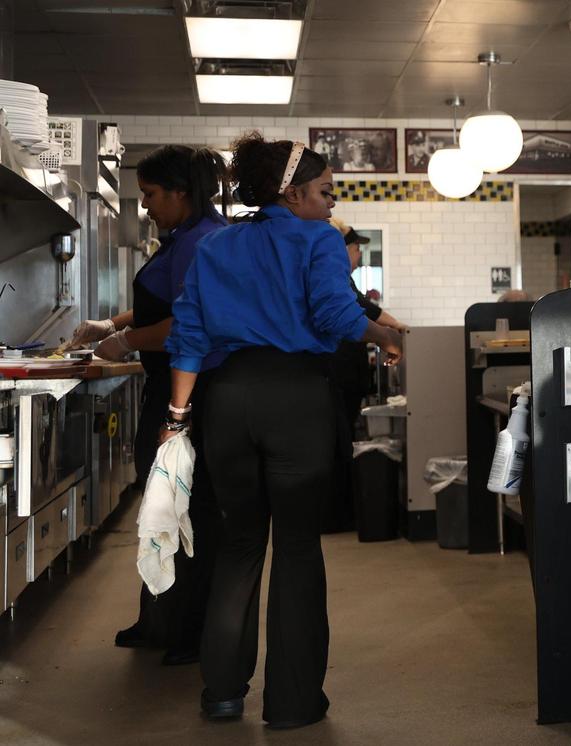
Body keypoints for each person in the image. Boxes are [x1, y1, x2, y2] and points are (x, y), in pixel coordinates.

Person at [163, 132, 403, 728]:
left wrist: (176, 417)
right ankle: (293, 704)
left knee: (239, 545)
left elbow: (188, 336)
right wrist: (388, 335)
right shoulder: (317, 238)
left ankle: (222, 692)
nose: (331, 203)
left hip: (228, 401)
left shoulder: (215, 246)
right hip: (296, 399)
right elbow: (335, 313)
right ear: (292, 194)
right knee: (296, 548)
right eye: (325, 191)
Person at [70, 144, 229, 666]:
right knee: (162, 503)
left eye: (152, 194)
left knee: (184, 507)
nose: (145, 206)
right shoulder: (185, 236)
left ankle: (190, 631)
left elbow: (188, 322)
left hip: (192, 389)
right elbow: (164, 303)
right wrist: (112, 325)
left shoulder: (200, 241)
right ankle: (161, 620)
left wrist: (128, 341)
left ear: (181, 192)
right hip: (172, 383)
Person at [324, 217, 407, 533]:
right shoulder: (333, 276)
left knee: (340, 440)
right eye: (357, 248)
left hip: (342, 375)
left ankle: (339, 513)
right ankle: (336, 516)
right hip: (337, 374)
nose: (359, 255)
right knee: (336, 442)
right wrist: (390, 332)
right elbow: (360, 310)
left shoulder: (339, 277)